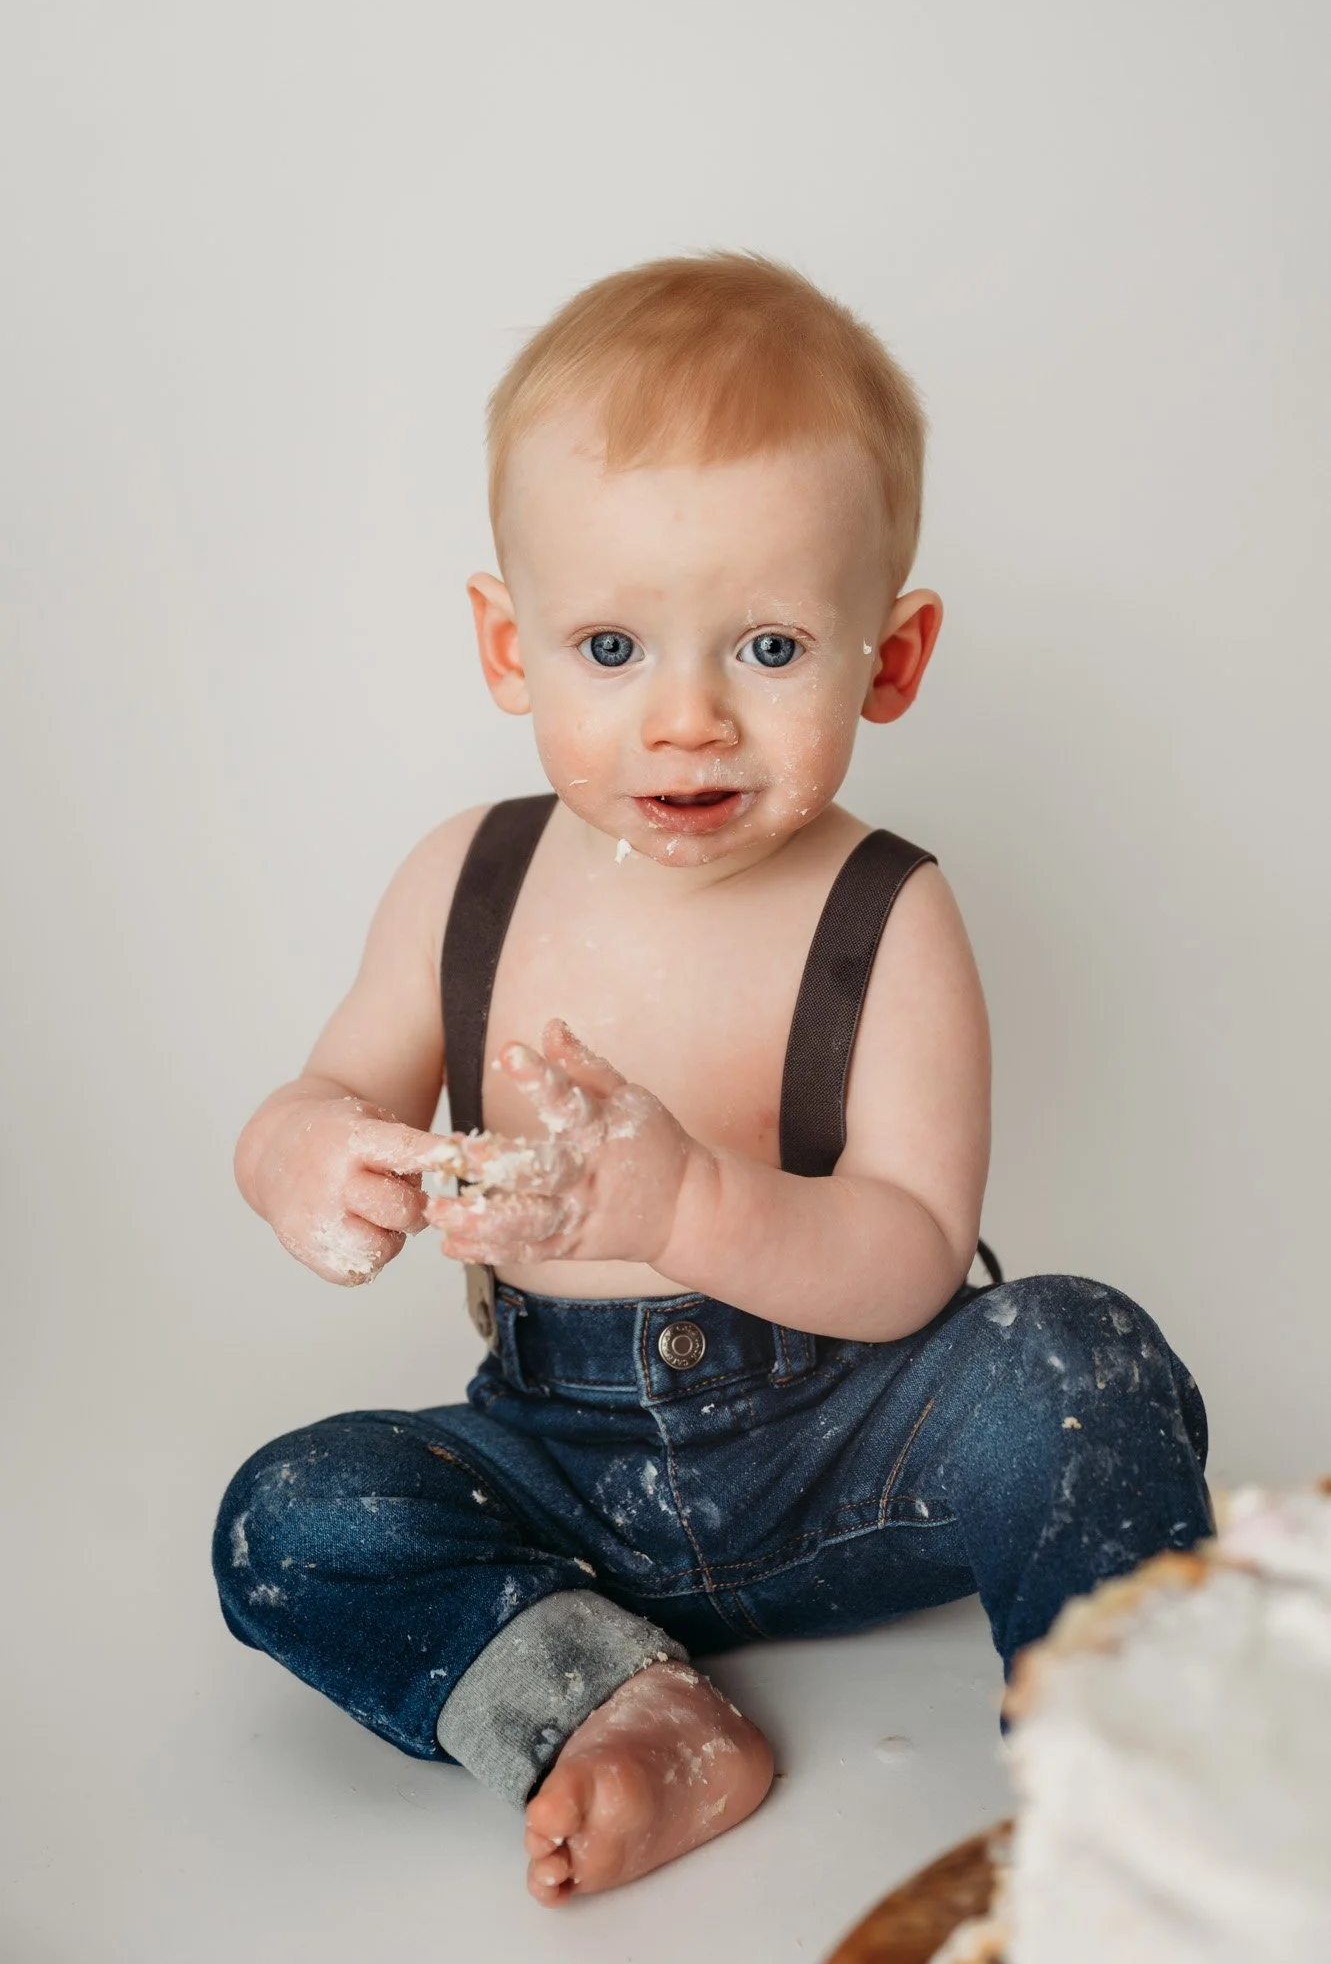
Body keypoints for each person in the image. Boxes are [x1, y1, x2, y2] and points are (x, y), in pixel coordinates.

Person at [214, 251, 1211, 1905]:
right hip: (562, 1474)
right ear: (507, 643)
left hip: (841, 1450)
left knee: (1074, 1357)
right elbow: (323, 1090)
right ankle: (618, 1703)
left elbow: (908, 1257)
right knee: (294, 1514)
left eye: (766, 645)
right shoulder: (463, 880)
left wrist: (687, 1203)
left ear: (889, 659)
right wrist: (307, 1155)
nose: (685, 719)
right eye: (610, 644)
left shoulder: (884, 912)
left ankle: (1134, 1749)